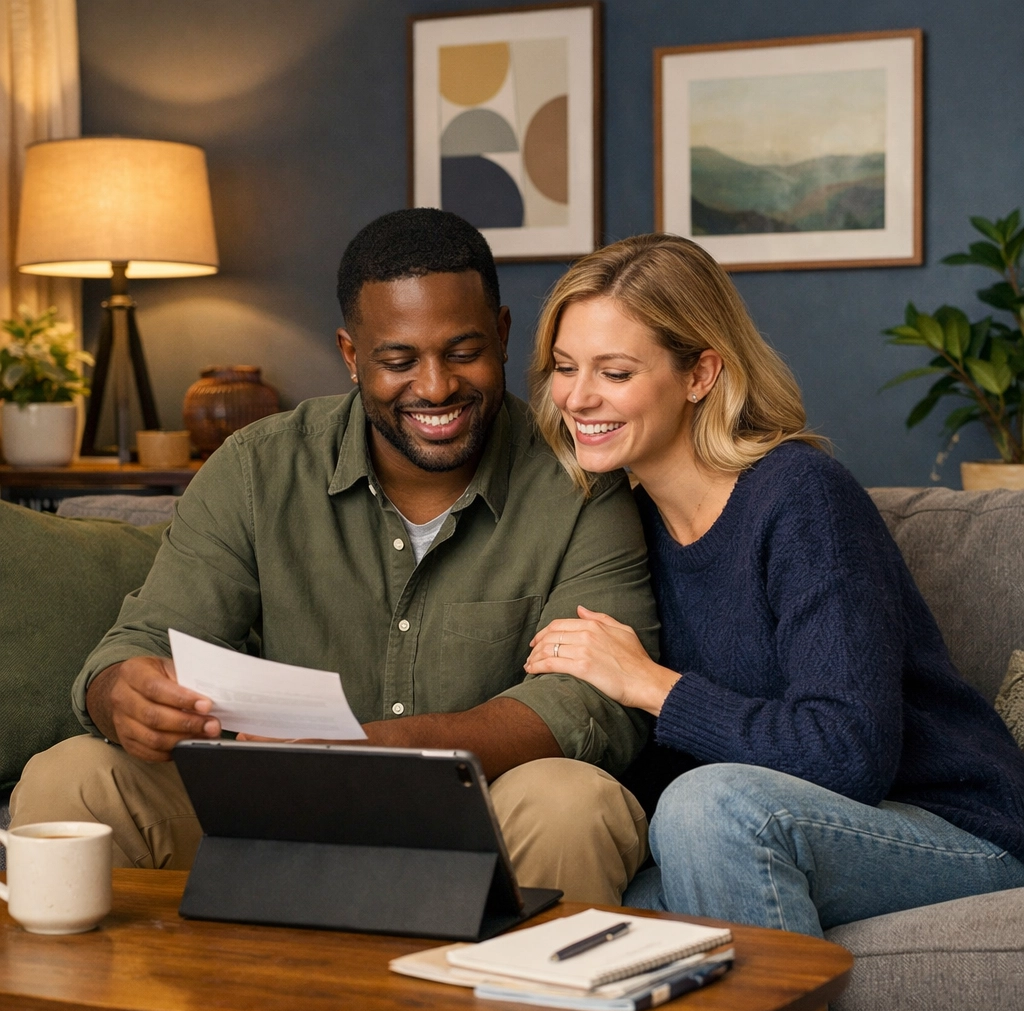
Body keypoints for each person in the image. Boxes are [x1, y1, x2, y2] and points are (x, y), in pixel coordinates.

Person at [11, 209, 659, 905]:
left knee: (572, 800)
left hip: (485, 815)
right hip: (269, 809)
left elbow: (593, 704)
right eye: (399, 360)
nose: (436, 386)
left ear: (501, 336)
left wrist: (371, 752)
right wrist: (123, 695)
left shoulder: (580, 481)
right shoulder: (259, 467)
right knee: (70, 776)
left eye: (463, 352)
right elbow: (141, 643)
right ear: (352, 356)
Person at [524, 233, 1024, 937]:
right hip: (770, 830)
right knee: (600, 909)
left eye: (615, 372)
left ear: (701, 374)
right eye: (565, 367)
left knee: (708, 809)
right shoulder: (619, 527)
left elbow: (849, 753)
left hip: (953, 829)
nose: (577, 397)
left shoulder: (801, 497)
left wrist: (649, 683)